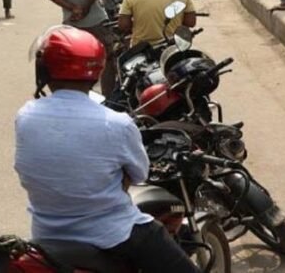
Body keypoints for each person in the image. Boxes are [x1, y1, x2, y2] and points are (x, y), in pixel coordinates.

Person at [15, 25, 201, 273]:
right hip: (112, 234)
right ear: (96, 71)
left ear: (44, 70)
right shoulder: (117, 123)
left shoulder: (26, 116)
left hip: (46, 234)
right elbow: (140, 174)